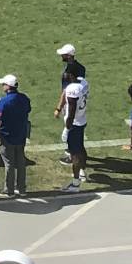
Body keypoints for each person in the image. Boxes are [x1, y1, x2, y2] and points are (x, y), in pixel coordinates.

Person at [0, 73, 31, 195]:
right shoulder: (24, 98)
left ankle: (9, 190)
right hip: (21, 135)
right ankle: (22, 189)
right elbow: (28, 110)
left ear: (8, 86)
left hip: (7, 136)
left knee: (9, 163)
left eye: (4, 84)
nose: (2, 86)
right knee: (20, 162)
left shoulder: (3, 102)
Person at [57, 62, 90, 190]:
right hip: (82, 119)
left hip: (74, 123)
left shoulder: (72, 89)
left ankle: (75, 183)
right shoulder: (84, 83)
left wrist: (67, 127)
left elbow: (71, 110)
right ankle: (82, 172)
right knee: (81, 148)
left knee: (74, 154)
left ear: (71, 75)